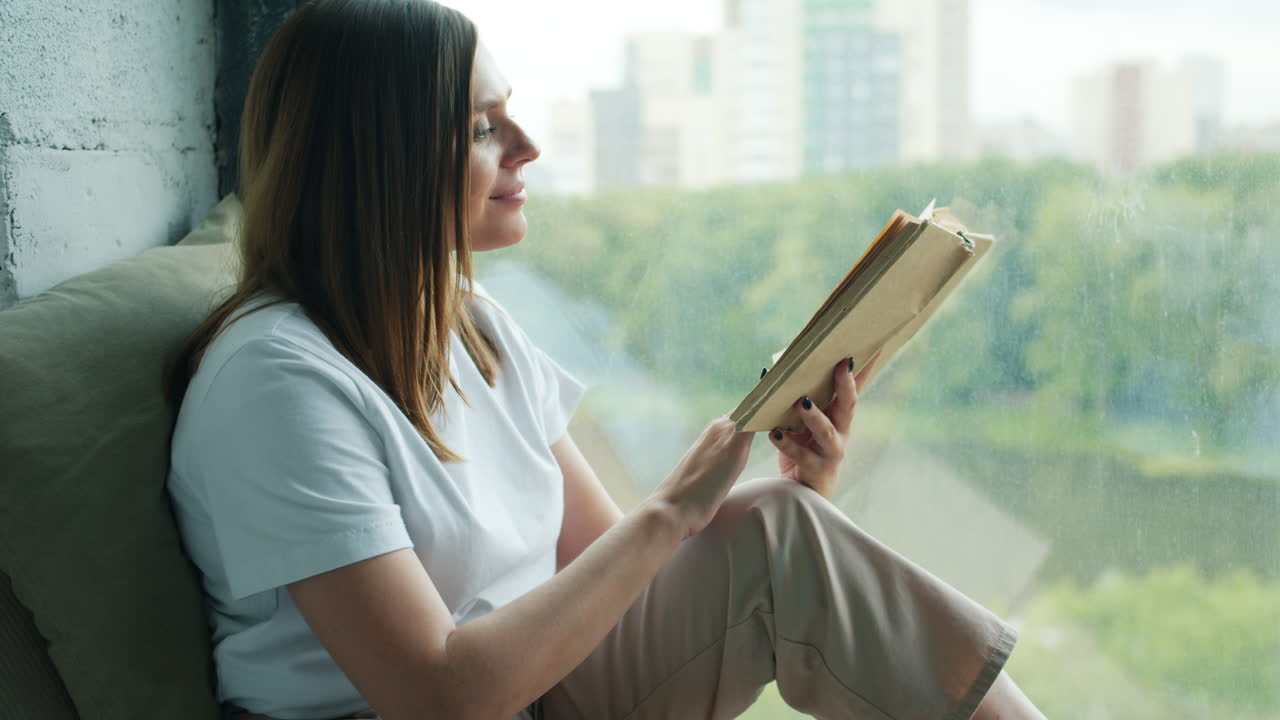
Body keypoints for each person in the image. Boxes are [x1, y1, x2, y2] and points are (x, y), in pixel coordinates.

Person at [164, 1, 1048, 719]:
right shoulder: (276, 384)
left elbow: (605, 567)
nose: (527, 149)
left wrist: (793, 491)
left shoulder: (471, 326)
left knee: (781, 532)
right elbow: (435, 696)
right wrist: (670, 510)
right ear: (381, 159)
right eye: (481, 128)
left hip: (546, 690)